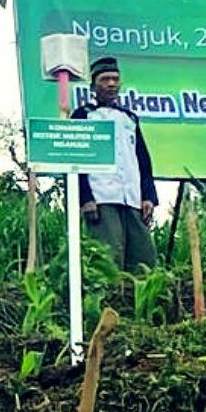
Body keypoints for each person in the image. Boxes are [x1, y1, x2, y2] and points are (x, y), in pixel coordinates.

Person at [70, 56, 158, 271]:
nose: (111, 84)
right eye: (105, 79)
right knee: (107, 256)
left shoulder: (130, 118)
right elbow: (76, 161)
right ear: (94, 85)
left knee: (143, 257)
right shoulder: (83, 116)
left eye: (115, 79)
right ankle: (106, 301)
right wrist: (85, 198)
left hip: (132, 198)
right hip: (102, 197)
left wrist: (148, 196)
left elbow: (143, 161)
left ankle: (138, 302)